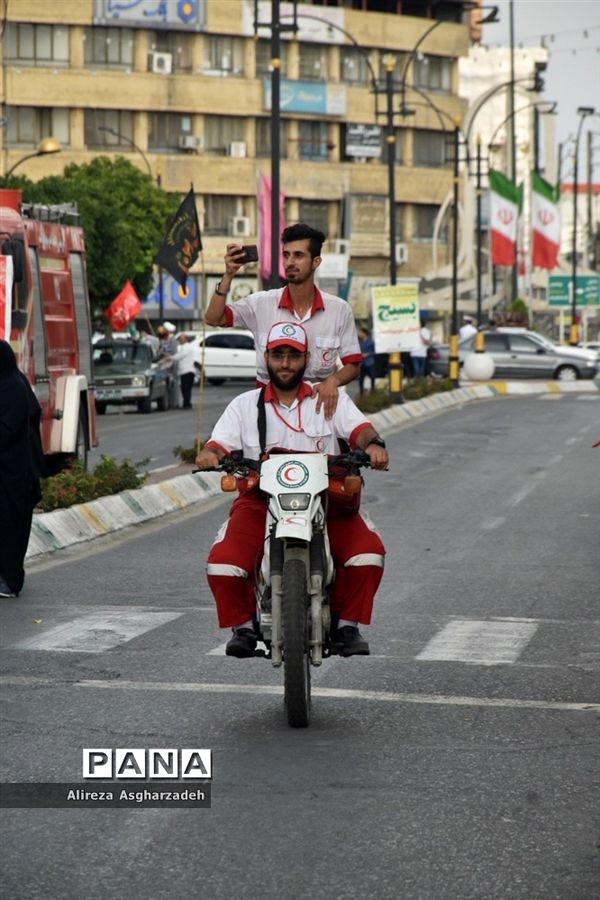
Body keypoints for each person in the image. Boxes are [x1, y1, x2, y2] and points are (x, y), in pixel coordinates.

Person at [195, 321, 388, 659]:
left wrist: (372, 444)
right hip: (260, 501)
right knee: (222, 564)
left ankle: (347, 624)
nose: (285, 363)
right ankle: (243, 626)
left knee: (368, 555)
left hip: (327, 502)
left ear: (305, 359)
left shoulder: (327, 397)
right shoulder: (244, 405)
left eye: (293, 356)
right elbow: (217, 444)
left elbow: (360, 429)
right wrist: (212, 455)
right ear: (266, 358)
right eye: (278, 355)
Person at [204, 223, 362, 419]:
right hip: (269, 415)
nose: (290, 262)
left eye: (298, 255)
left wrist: (333, 381)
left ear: (316, 261)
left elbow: (353, 365)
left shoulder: (339, 310)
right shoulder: (261, 303)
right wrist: (228, 275)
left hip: (319, 415)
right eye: (286, 255)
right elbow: (213, 318)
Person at [0, 340, 45, 598]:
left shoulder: (14, 390)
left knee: (10, 526)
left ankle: (9, 580)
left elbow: (9, 431)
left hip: (15, 473)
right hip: (6, 472)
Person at [170, 332, 196, 409]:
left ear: (185, 339)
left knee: (186, 388)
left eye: (181, 338)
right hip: (184, 371)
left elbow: (180, 356)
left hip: (187, 371)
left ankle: (187, 404)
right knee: (185, 388)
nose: (179, 340)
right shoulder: (183, 347)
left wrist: (170, 358)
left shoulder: (187, 347)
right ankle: (186, 403)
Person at [358, 326, 376, 394]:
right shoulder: (359, 342)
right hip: (362, 363)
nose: (359, 334)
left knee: (372, 377)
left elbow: (374, 352)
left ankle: (373, 391)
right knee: (361, 379)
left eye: (360, 332)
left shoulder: (371, 342)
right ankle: (361, 393)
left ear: (364, 333)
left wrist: (368, 354)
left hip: (370, 362)